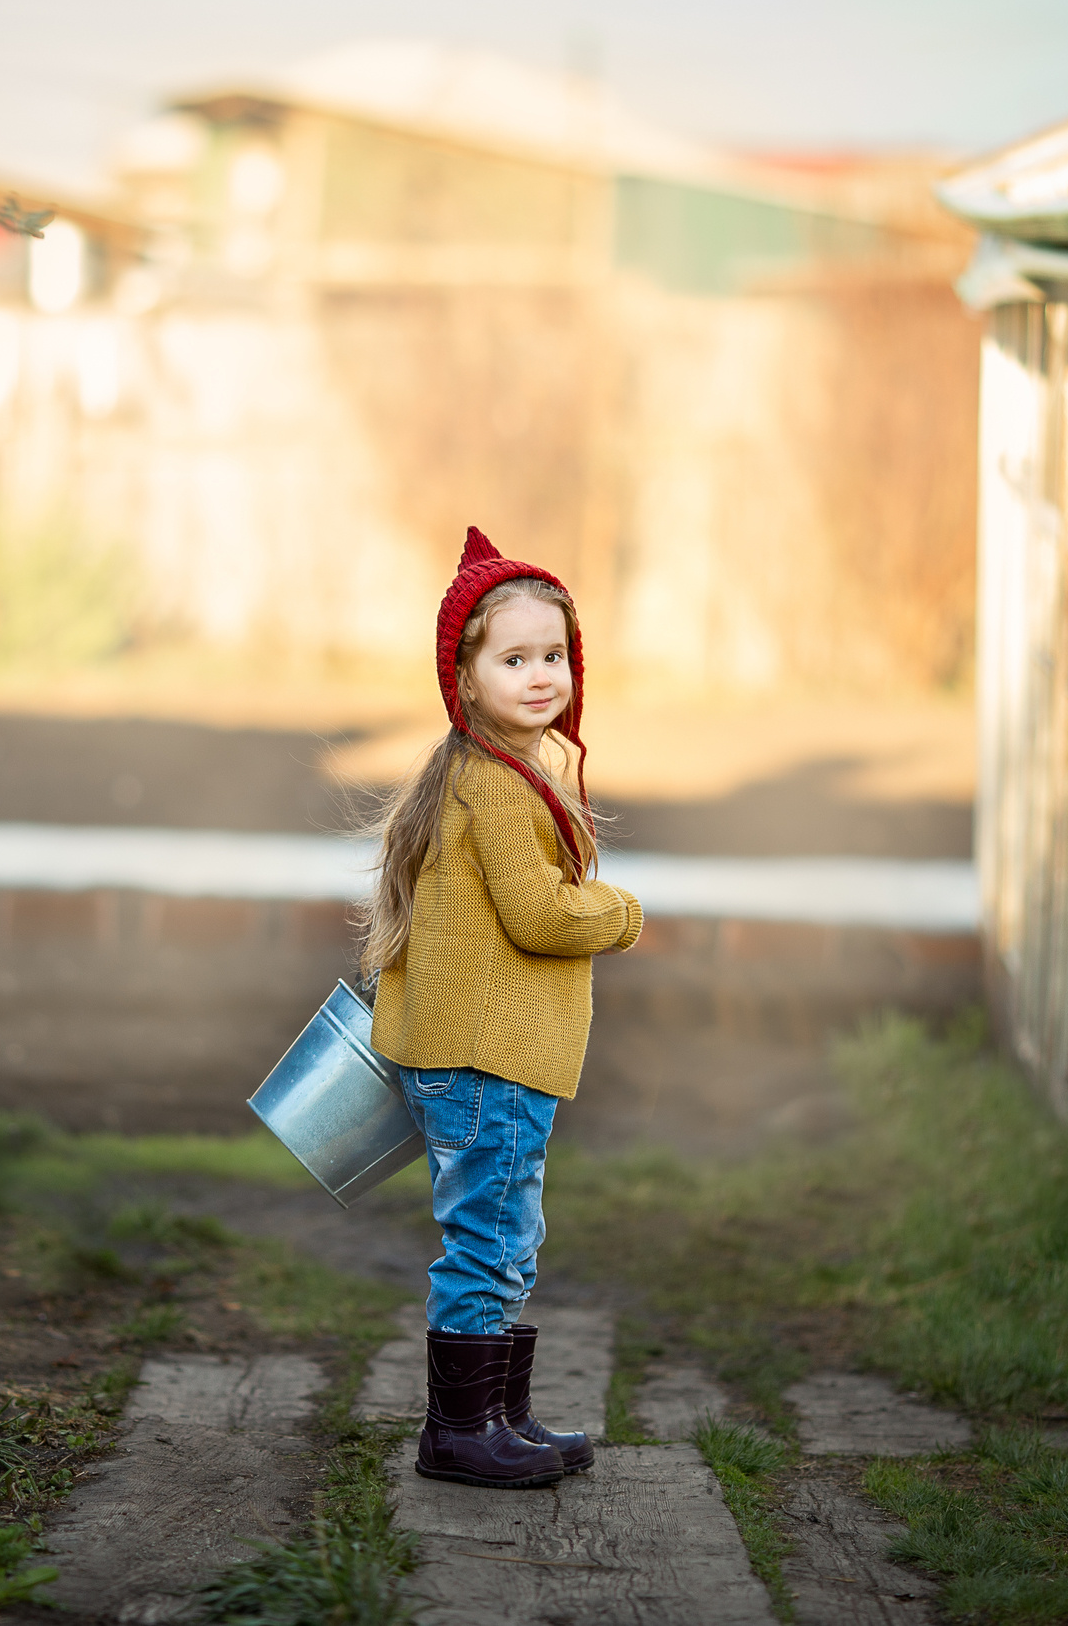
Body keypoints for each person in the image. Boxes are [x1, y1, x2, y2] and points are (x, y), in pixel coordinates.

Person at [363, 527, 643, 1490]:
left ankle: (498, 1414)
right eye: (512, 657)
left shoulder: (477, 772)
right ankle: (458, 1431)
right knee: (488, 1235)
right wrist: (622, 911)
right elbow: (538, 917)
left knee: (503, 1230)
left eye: (555, 655)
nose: (540, 676)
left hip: (478, 1057)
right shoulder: (498, 788)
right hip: (491, 1062)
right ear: (465, 675)